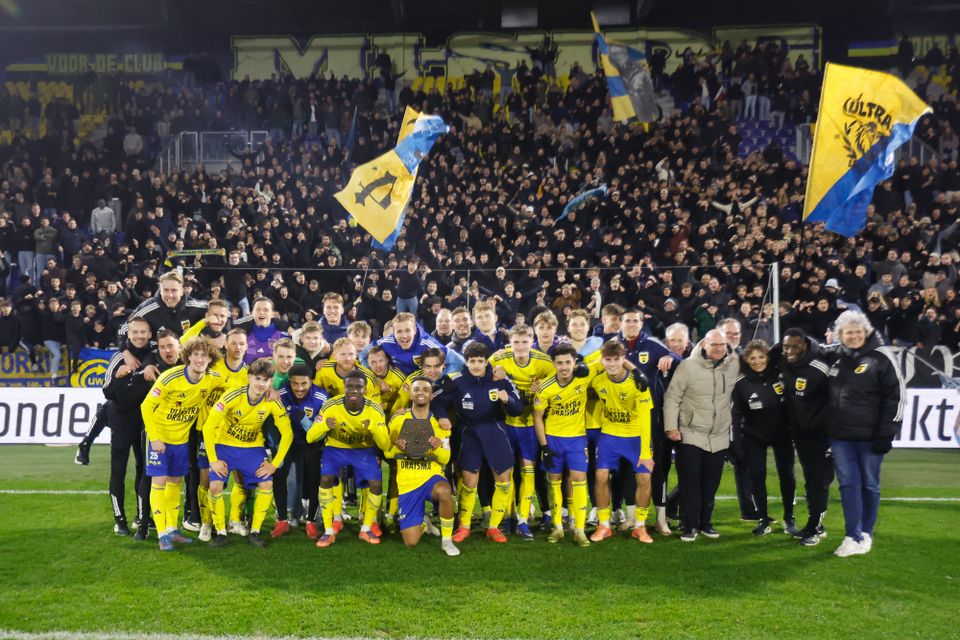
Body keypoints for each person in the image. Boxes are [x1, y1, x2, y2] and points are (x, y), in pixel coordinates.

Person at [822, 311, 905, 557]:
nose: (854, 336)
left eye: (858, 331)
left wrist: (887, 432)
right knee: (848, 484)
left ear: (866, 332)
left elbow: (897, 396)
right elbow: (807, 350)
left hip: (871, 436)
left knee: (869, 484)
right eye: (849, 332)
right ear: (840, 335)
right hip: (839, 436)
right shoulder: (835, 355)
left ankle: (866, 532)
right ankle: (852, 536)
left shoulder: (882, 355)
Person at [432, 341, 523, 543]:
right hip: (469, 433)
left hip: (495, 431)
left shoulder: (500, 379)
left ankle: (494, 527)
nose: (475, 365)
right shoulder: (456, 380)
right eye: (472, 361)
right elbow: (437, 401)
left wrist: (507, 400)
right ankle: (464, 526)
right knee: (469, 481)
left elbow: (518, 408)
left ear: (486, 361)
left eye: (480, 361)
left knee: (503, 481)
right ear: (466, 361)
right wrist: (442, 417)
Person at [140, 336, 224, 551]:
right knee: (158, 483)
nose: (199, 359)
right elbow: (146, 406)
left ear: (210, 359)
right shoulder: (170, 378)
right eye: (195, 354)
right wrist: (155, 437)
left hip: (181, 441)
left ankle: (172, 529)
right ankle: (161, 534)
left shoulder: (212, 378)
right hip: (160, 439)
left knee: (175, 484)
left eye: (204, 355)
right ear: (187, 356)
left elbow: (236, 384)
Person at [202, 358, 294, 548]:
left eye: (266, 380)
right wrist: (213, 460)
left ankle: (255, 531)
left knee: (266, 482)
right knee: (215, 486)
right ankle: (220, 532)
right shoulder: (233, 395)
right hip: (225, 446)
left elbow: (288, 434)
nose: (261, 384)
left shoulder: (273, 401)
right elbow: (209, 426)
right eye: (258, 379)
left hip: (252, 448)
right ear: (250, 377)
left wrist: (274, 464)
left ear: (270, 382)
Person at [662, 329, 739, 542]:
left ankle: (706, 523)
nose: (719, 349)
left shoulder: (733, 364)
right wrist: (671, 427)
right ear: (704, 344)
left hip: (719, 435)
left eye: (722, 345)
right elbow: (672, 398)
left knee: (711, 483)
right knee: (689, 483)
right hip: (690, 433)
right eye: (714, 345)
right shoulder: (687, 366)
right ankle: (689, 525)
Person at [371, 376, 461, 556]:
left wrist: (437, 448)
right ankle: (423, 523)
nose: (421, 393)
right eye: (417, 389)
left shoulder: (440, 424)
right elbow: (387, 453)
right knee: (411, 542)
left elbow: (445, 458)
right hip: (407, 483)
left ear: (431, 396)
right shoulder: (397, 420)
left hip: (430, 477)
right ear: (410, 395)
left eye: (425, 390)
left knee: (444, 491)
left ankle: (447, 540)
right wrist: (398, 448)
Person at [533, 344, 604, 547]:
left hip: (576, 439)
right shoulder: (545, 387)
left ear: (574, 362)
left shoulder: (584, 375)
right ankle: (557, 527)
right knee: (553, 482)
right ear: (554, 364)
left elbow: (607, 353)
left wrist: (635, 371)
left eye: (568, 362)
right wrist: (544, 446)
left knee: (579, 481)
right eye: (559, 363)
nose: (564, 367)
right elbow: (537, 417)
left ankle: (579, 529)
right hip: (553, 439)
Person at [489, 325, 555, 539]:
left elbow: (557, 383)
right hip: (506, 424)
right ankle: (508, 517)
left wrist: (542, 385)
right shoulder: (498, 358)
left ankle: (524, 520)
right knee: (507, 473)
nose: (520, 347)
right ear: (510, 341)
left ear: (532, 341)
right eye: (516, 342)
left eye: (525, 342)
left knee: (528, 472)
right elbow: (482, 372)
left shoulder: (543, 362)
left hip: (529, 426)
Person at [308, 370, 387, 548]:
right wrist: (324, 427)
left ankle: (366, 528)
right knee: (326, 479)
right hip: (336, 448)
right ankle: (328, 531)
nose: (353, 390)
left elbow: (384, 445)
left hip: (363, 450)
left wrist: (374, 428)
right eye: (349, 386)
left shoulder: (374, 409)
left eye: (358, 387)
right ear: (344, 387)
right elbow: (310, 437)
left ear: (365, 389)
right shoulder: (331, 405)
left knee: (375, 483)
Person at [589, 340, 655, 543]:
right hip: (609, 435)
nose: (611, 364)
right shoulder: (598, 380)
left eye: (616, 359)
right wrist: (597, 364)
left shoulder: (638, 383)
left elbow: (645, 419)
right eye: (607, 360)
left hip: (636, 436)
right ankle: (604, 525)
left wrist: (645, 452)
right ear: (602, 360)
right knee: (600, 476)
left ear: (623, 359)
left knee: (644, 478)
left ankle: (640, 527)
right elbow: (578, 372)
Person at [731, 340, 796, 537]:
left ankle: (789, 517)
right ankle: (763, 518)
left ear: (768, 356)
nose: (758, 361)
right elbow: (736, 415)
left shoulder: (780, 375)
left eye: (761, 356)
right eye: (752, 358)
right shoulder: (741, 383)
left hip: (783, 435)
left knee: (787, 475)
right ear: (746, 360)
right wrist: (736, 443)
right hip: (754, 437)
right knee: (757, 476)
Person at [778, 328, 834, 546]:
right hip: (800, 435)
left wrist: (830, 431)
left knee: (819, 481)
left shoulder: (819, 368)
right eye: (786, 346)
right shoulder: (783, 362)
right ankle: (813, 524)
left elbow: (836, 400)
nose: (790, 350)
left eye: (795, 346)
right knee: (811, 481)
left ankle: (816, 528)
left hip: (822, 436)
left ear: (805, 345)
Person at [278, 364, 329, 540]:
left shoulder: (321, 397)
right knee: (279, 474)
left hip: (312, 444)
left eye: (304, 383)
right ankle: (282, 520)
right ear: (289, 383)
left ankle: (311, 521)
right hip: (288, 442)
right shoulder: (280, 395)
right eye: (295, 384)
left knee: (314, 479)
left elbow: (321, 430)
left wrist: (305, 421)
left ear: (311, 381)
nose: (299, 388)